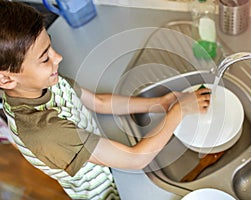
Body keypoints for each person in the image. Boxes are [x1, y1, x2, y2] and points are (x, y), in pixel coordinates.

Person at [0, 1, 211, 199]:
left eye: (51, 47)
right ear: (6, 79)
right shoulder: (46, 133)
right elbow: (134, 159)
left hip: (99, 155)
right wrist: (179, 111)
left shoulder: (39, 83)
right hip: (98, 190)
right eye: (45, 58)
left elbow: (98, 102)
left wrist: (160, 104)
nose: (58, 58)